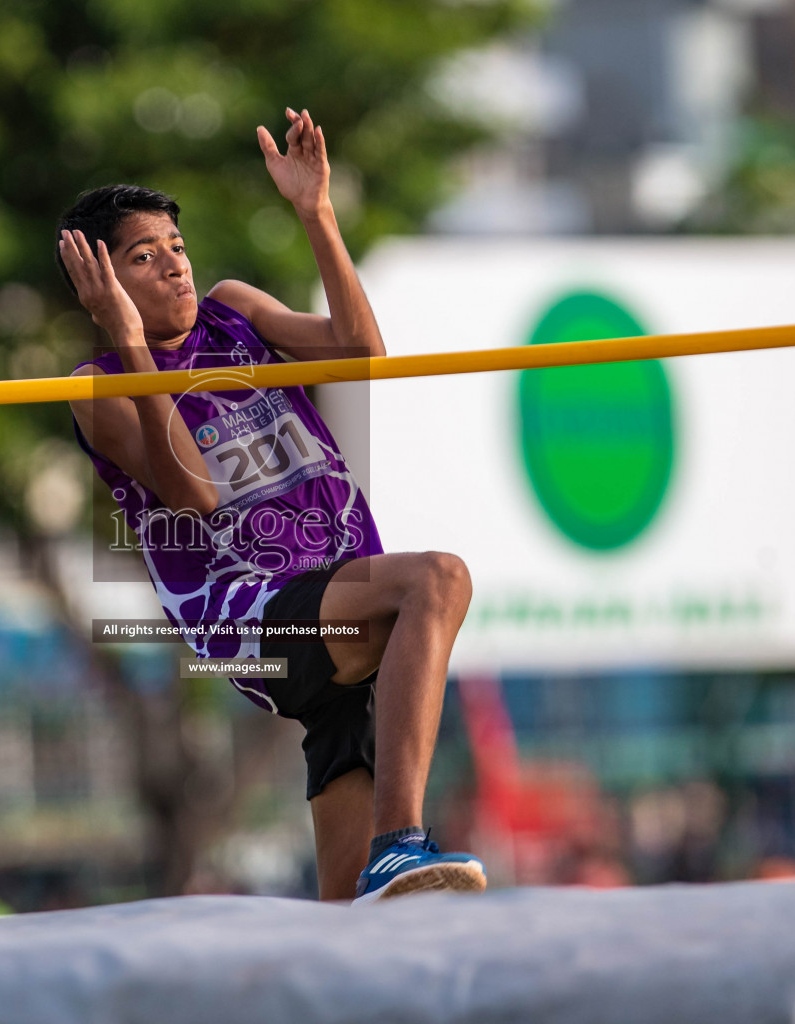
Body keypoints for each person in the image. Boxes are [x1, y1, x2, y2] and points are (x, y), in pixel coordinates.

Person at [58, 107, 485, 904]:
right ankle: (401, 840)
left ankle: (373, 873)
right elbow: (193, 491)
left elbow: (364, 356)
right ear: (106, 282)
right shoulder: (98, 385)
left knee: (349, 920)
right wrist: (133, 351)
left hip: (334, 599)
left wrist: (316, 214)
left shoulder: (235, 309)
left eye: (176, 249)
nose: (176, 268)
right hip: (255, 617)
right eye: (144, 259)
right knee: (438, 579)